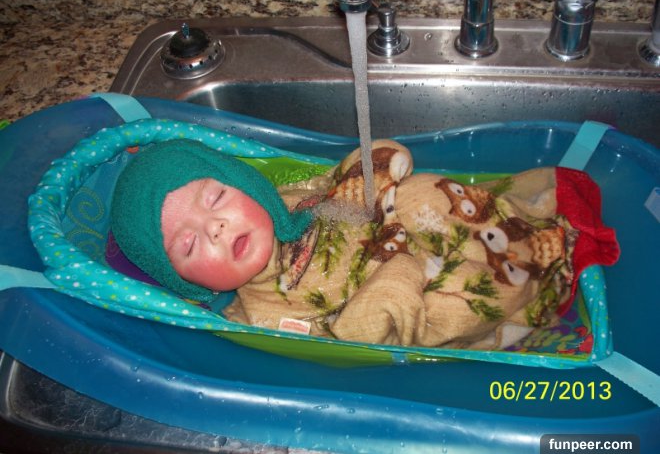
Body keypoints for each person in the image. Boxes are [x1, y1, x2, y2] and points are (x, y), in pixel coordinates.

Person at [110, 137, 619, 349]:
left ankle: (535, 235)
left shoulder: (289, 200)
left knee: (422, 193)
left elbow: (353, 172)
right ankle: (540, 280)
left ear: (247, 185)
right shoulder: (260, 317)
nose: (215, 228)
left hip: (423, 228)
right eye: (188, 245)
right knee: (447, 307)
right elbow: (345, 339)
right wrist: (395, 281)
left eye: (216, 198)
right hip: (414, 289)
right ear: (185, 281)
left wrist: (369, 168)